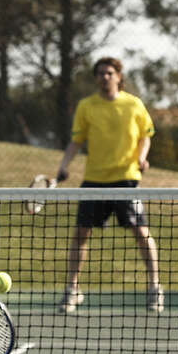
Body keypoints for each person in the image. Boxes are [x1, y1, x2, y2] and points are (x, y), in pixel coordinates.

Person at [53, 57, 163, 314]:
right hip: (94, 181)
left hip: (126, 179)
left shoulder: (134, 104)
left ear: (118, 77)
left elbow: (146, 135)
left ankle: (155, 288)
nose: (104, 77)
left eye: (109, 73)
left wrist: (142, 158)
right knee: (80, 234)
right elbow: (76, 141)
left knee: (141, 233)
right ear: (96, 78)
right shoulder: (86, 106)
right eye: (100, 74)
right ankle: (72, 290)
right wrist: (64, 165)